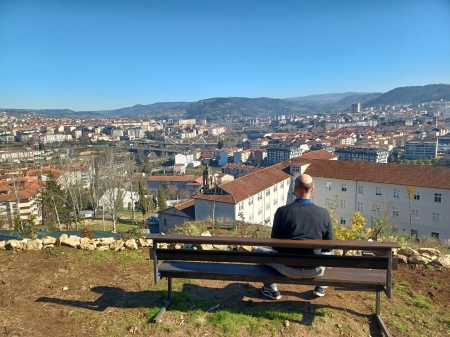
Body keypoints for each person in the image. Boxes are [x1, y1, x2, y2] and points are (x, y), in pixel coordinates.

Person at [256, 173, 334, 300]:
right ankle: (321, 286)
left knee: (259, 252)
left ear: (295, 189)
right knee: (331, 252)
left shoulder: (282, 212)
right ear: (312, 189)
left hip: (288, 268)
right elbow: (328, 247)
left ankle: (271, 289)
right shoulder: (323, 213)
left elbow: (275, 245)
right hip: (316, 269)